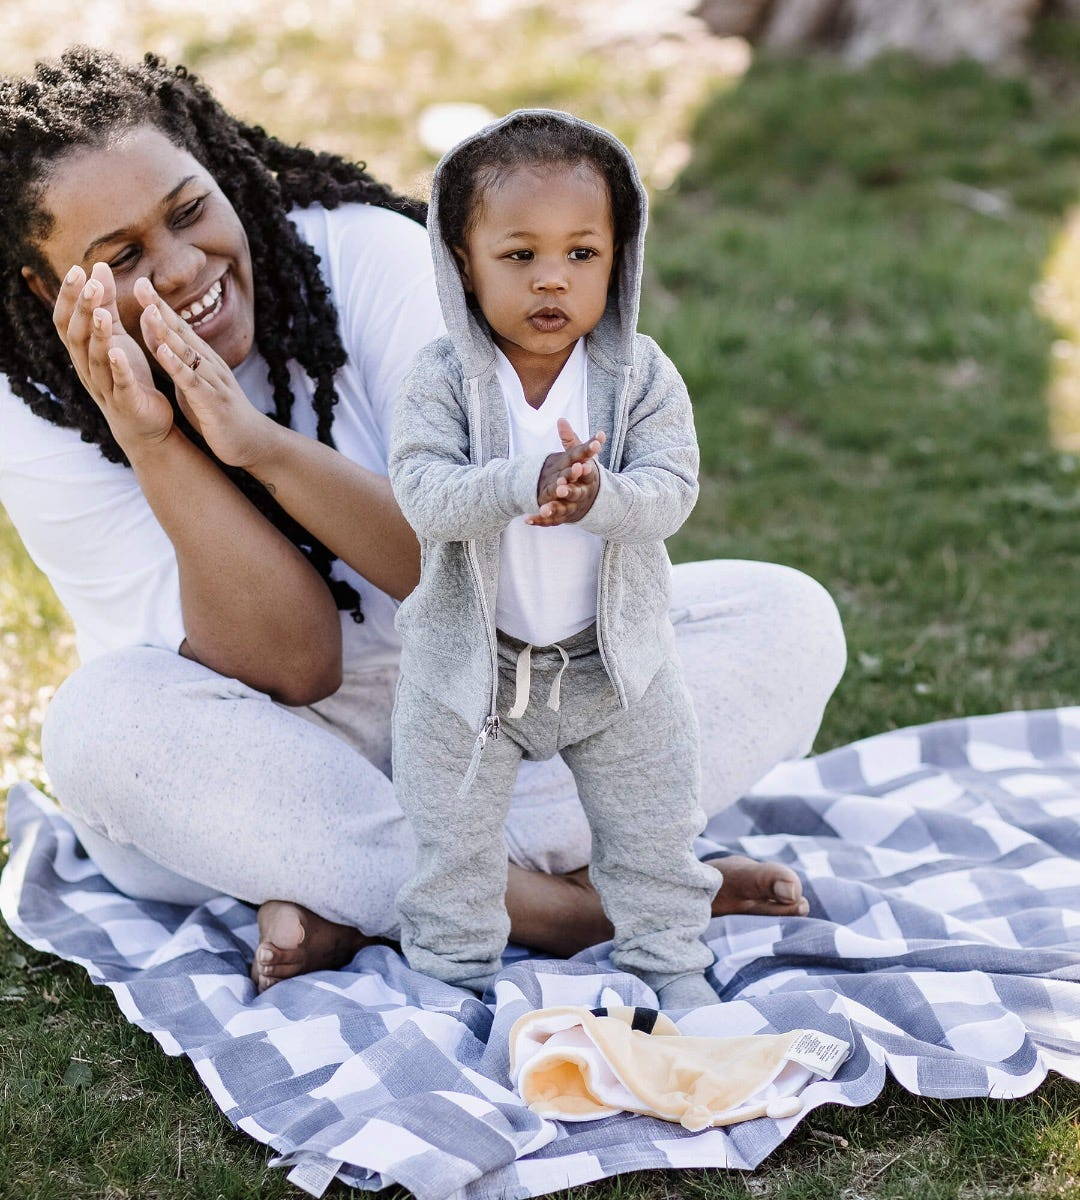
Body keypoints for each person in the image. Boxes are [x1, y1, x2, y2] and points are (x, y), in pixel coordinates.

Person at [0, 48, 846, 995]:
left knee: (786, 617)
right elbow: (294, 665)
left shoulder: (371, 259)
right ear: (46, 289)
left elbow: (495, 572)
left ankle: (358, 890)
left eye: (191, 210)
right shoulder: (32, 413)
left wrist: (263, 448)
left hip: (487, 696)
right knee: (98, 731)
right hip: (257, 754)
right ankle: (566, 906)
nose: (185, 266)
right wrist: (158, 446)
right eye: (120, 259)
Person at [389, 111, 720, 1008]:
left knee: (654, 829)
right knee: (451, 845)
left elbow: (671, 492)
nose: (552, 279)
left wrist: (598, 498)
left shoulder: (640, 377)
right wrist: (519, 482)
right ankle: (452, 983)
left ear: (620, 260)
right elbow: (423, 493)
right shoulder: (444, 379)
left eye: (582, 255)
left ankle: (672, 968)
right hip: (471, 668)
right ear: (464, 261)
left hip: (611, 665)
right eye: (519, 255)